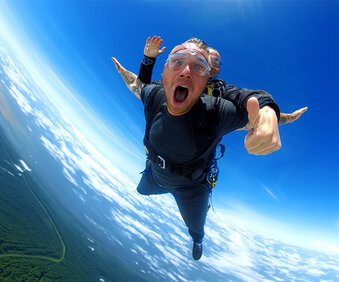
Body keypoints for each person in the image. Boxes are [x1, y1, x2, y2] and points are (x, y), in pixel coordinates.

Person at [112, 38, 281, 260]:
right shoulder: (155, 94)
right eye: (177, 61)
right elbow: (140, 86)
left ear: (207, 76)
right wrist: (148, 60)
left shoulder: (216, 109)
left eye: (201, 66)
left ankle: (197, 239)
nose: (186, 72)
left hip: (191, 189)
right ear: (164, 73)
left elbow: (248, 101)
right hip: (156, 172)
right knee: (141, 190)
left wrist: (269, 112)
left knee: (195, 226)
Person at [138, 36, 307, 132]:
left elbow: (247, 98)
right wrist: (148, 60)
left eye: (218, 62)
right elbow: (144, 88)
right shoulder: (176, 81)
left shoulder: (219, 90)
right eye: (209, 59)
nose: (214, 64)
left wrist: (274, 113)